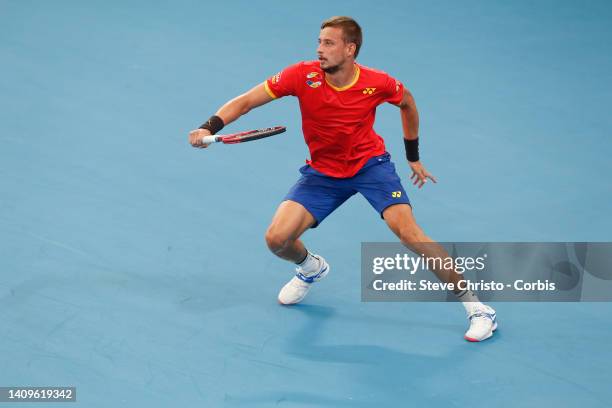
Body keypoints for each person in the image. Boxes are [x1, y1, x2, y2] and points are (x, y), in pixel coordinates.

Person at [189, 16, 497, 342]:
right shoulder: (301, 75)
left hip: (370, 166)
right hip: (323, 172)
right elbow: (247, 100)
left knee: (410, 234)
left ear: (350, 49)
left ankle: (478, 309)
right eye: (319, 42)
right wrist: (209, 126)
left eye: (329, 43)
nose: (319, 50)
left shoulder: (377, 83)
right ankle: (310, 267)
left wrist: (413, 155)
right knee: (277, 240)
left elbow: (407, 102)